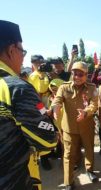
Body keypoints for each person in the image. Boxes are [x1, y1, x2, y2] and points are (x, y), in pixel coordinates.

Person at [0, 20, 57, 190]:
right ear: (11, 50)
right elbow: (47, 141)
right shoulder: (14, 87)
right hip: (16, 180)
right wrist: (54, 132)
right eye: (22, 51)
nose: (23, 56)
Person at [52, 61, 99, 190]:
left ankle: (89, 170)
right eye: (75, 74)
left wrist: (86, 112)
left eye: (81, 74)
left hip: (86, 126)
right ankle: (68, 182)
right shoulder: (64, 87)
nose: (77, 77)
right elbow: (57, 100)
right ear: (71, 73)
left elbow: (94, 104)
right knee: (68, 154)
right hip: (69, 128)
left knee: (89, 150)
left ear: (86, 75)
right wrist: (56, 107)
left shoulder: (92, 88)